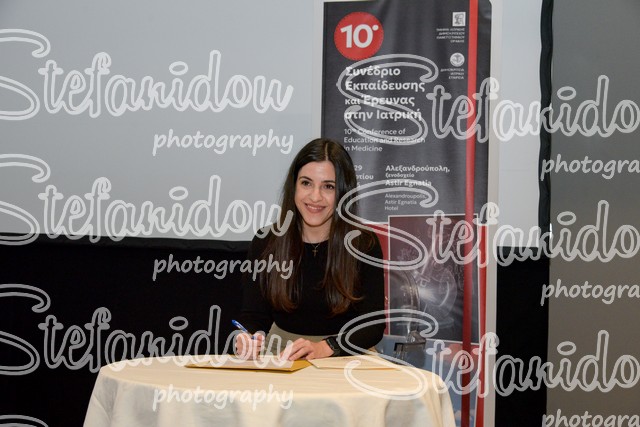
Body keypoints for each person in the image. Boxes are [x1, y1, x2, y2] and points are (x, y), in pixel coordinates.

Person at [236, 138, 385, 360]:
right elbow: (253, 315)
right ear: (294, 186)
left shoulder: (364, 243)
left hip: (345, 354)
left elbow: (372, 325)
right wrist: (247, 337)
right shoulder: (265, 241)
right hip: (281, 353)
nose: (315, 196)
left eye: (328, 186)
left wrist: (325, 348)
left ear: (343, 192)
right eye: (306, 183)